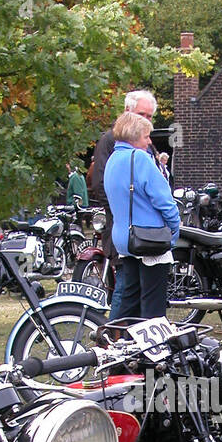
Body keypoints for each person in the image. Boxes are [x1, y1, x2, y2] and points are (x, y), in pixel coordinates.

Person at [103, 112, 180, 321]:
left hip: (124, 240)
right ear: (134, 136)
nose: (149, 141)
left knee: (129, 304)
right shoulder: (140, 160)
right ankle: (152, 350)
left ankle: (122, 346)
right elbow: (164, 201)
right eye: (146, 136)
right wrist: (175, 228)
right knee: (152, 307)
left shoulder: (112, 160)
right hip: (149, 239)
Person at [88, 89, 159, 263]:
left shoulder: (146, 145)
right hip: (123, 229)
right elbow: (101, 184)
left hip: (147, 232)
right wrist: (124, 212)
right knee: (125, 284)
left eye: (149, 116)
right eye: (141, 114)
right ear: (127, 111)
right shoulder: (110, 141)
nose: (145, 120)